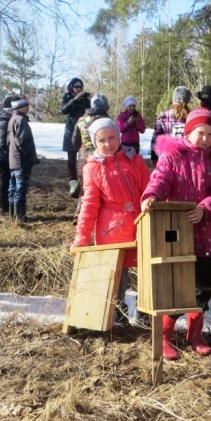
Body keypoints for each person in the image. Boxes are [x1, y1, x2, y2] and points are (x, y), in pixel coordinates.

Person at [142, 108, 211, 359]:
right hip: (177, 234)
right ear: (189, 131)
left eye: (210, 134)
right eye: (200, 132)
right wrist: (151, 197)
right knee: (174, 289)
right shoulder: (173, 156)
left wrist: (206, 209)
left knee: (202, 289)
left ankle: (195, 335)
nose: (204, 138)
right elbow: (159, 179)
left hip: (208, 233)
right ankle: (162, 337)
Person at [71, 118, 151, 323]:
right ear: (94, 143)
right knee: (117, 273)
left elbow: (149, 189)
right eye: (102, 140)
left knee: (147, 269)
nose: (108, 143)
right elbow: (89, 205)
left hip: (140, 222)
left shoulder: (135, 160)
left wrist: (151, 206)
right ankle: (118, 311)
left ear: (119, 136)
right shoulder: (92, 168)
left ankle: (146, 310)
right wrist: (81, 238)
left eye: (112, 137)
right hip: (111, 228)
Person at [70, 93, 111, 199]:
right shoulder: (106, 121)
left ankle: (80, 212)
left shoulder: (81, 119)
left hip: (84, 157)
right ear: (106, 107)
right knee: (101, 185)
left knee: (84, 186)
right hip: (101, 157)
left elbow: (75, 142)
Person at [7, 98, 40, 223]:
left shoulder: (12, 119)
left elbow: (8, 141)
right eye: (27, 106)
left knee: (13, 188)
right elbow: (23, 141)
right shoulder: (21, 120)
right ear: (21, 107)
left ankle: (13, 216)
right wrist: (31, 157)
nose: (28, 108)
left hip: (13, 160)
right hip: (22, 161)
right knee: (21, 189)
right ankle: (20, 218)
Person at [150, 86, 191, 164]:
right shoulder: (192, 116)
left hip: (167, 159)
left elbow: (156, 137)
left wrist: (154, 156)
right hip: (187, 160)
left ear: (173, 99)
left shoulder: (164, 115)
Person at [0, 95, 21, 214]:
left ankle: (4, 204)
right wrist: (9, 153)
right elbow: (1, 143)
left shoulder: (7, 119)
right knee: (4, 181)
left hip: (6, 157)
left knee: (7, 181)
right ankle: (3, 206)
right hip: (3, 158)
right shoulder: (4, 121)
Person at [61, 78, 90, 183]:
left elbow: (95, 110)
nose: (79, 88)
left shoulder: (85, 99)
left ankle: (84, 179)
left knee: (84, 157)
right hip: (70, 130)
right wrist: (75, 99)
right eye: (76, 86)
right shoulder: (67, 96)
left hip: (83, 130)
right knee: (71, 159)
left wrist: (91, 100)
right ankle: (72, 181)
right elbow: (63, 110)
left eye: (80, 86)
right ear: (71, 87)